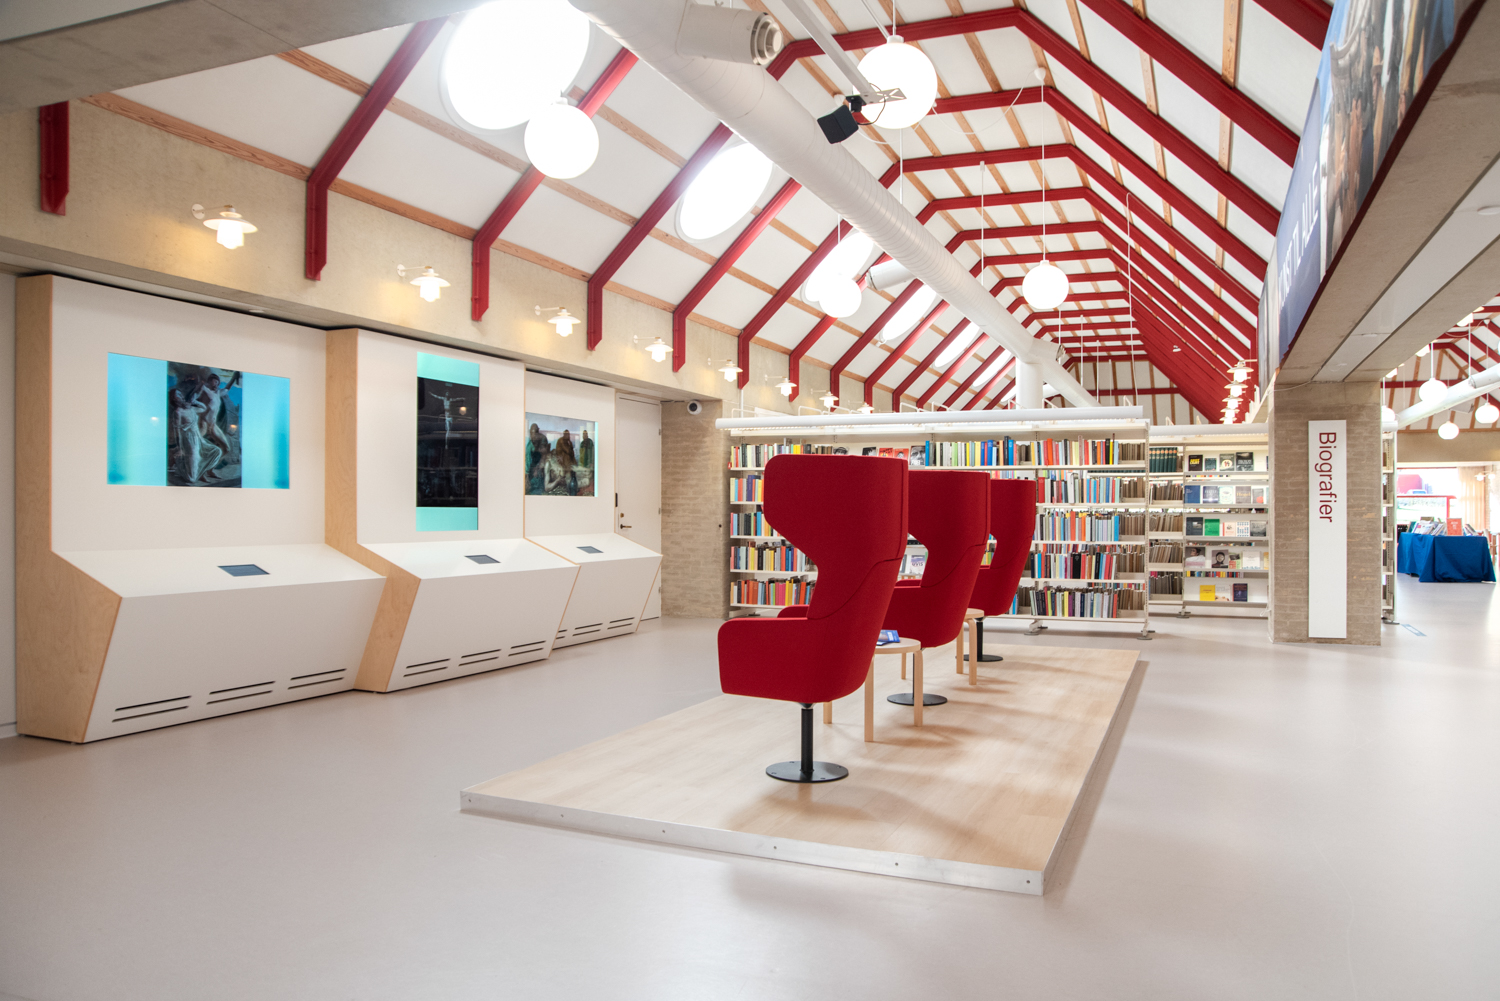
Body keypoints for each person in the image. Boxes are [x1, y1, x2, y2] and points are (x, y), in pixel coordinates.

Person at [545, 429, 576, 495]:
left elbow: (571, 453)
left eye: (569, 434)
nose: (568, 436)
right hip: (557, 491)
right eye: (567, 434)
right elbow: (568, 451)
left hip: (565, 489)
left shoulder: (568, 442)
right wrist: (558, 481)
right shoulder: (561, 441)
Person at [526, 423, 550, 494]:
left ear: (538, 432)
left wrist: (538, 467)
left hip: (542, 462)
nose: (533, 436)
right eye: (531, 433)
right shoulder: (530, 443)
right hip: (534, 463)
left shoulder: (543, 438)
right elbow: (527, 458)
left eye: (535, 433)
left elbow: (544, 454)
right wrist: (526, 474)